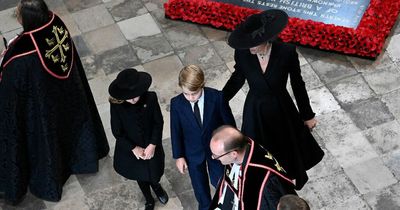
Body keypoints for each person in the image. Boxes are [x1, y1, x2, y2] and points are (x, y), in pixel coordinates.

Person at [0, 0, 110, 204]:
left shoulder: (22, 58)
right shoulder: (56, 24)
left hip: (41, 109)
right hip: (66, 98)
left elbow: (9, 90)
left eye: (19, 14)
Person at [222, 9, 324, 190]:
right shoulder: (243, 53)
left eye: (253, 44)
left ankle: (285, 180)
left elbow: (298, 85)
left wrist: (307, 115)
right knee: (257, 150)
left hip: (281, 108)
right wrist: (220, 99)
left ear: (264, 40)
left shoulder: (286, 52)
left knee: (284, 148)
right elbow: (238, 77)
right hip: (255, 110)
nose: (250, 49)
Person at [170, 64, 236, 210]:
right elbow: (176, 131)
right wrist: (179, 156)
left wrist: (231, 150)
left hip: (217, 152)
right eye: (186, 94)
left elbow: (229, 125)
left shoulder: (217, 97)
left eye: (194, 93)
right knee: (199, 187)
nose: (191, 97)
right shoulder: (176, 104)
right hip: (192, 153)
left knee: (221, 182)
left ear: (202, 85)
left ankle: (226, 205)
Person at [109, 68, 168, 210]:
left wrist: (153, 144)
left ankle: (157, 187)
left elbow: (158, 122)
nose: (134, 99)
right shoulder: (117, 106)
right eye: (130, 97)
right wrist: (134, 148)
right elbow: (117, 132)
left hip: (151, 145)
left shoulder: (151, 98)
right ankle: (148, 199)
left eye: (136, 95)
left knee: (154, 173)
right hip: (132, 150)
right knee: (140, 176)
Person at [209, 125, 296, 210]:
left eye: (216, 156)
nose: (213, 157)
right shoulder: (244, 147)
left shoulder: (264, 180)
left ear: (234, 154)